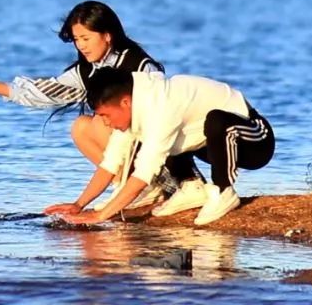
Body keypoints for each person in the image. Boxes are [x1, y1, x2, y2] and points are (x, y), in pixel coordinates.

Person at [0, 0, 202, 209]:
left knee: (104, 125)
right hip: (129, 147)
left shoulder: (140, 66)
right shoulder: (86, 70)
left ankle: (167, 185)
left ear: (106, 35)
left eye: (85, 38)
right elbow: (45, 93)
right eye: (76, 40)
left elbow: (165, 114)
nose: (80, 45)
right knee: (81, 126)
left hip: (164, 148)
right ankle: (135, 189)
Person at [48, 67, 274, 226]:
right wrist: (78, 204)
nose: (105, 122)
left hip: (254, 139)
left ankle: (224, 191)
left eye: (106, 115)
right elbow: (110, 163)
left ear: (125, 102)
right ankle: (191, 187)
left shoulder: (161, 106)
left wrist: (101, 216)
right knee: (161, 139)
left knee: (214, 120)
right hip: (212, 142)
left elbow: (144, 174)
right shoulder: (137, 107)